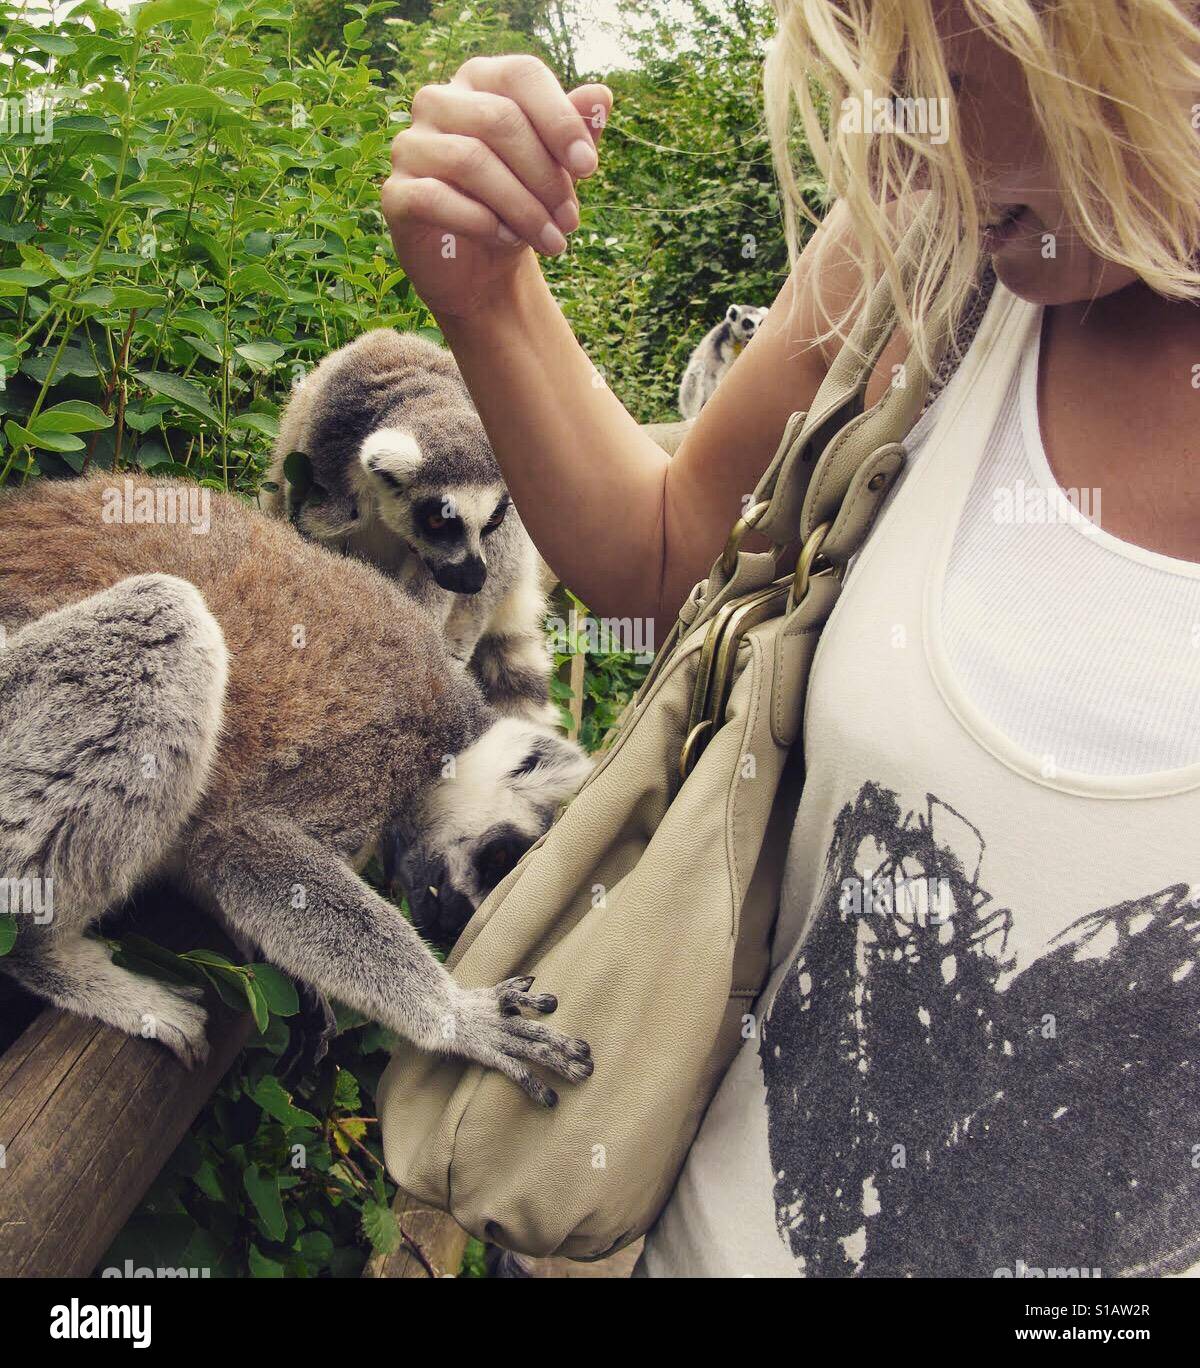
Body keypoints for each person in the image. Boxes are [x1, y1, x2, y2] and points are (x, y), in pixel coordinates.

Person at [381, 1, 1200, 1277]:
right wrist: (489, 293)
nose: (896, 148)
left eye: (955, 79)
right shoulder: (934, 244)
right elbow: (664, 564)